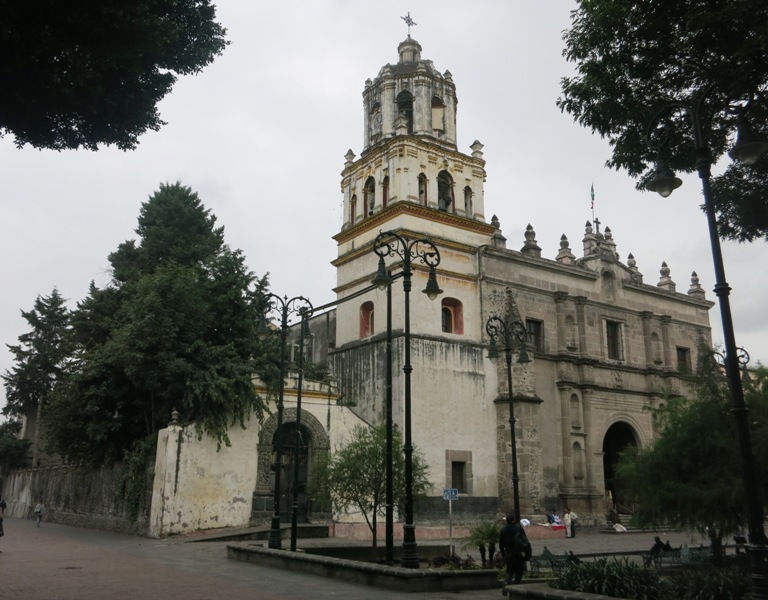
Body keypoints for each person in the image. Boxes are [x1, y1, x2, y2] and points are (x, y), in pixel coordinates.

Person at [499, 512, 531, 590]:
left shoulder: (503, 529)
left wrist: (504, 555)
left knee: (509, 571)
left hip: (509, 553)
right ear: (513, 520)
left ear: (507, 520)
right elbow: (525, 541)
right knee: (519, 572)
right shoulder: (519, 528)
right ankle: (517, 588)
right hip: (519, 554)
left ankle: (506, 582)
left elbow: (501, 545)